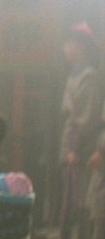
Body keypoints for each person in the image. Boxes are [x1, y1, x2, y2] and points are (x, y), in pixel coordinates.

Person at [56, 22, 103, 239]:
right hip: (71, 148)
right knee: (70, 202)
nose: (66, 48)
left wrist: (74, 149)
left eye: (70, 43)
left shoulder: (88, 77)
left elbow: (87, 120)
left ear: (81, 47)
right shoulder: (74, 74)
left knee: (80, 203)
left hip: (81, 151)